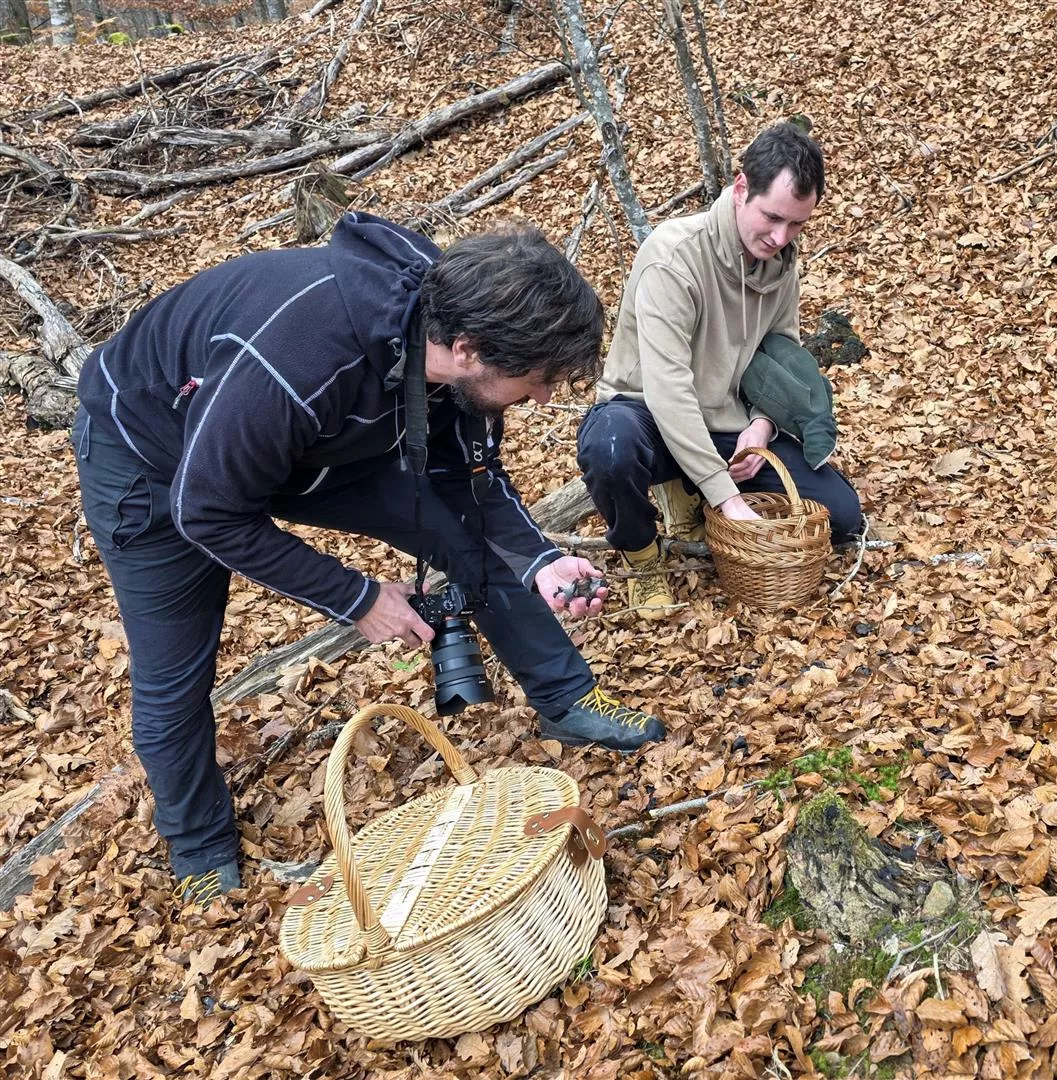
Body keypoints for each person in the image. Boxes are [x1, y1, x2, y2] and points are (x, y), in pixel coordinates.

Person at [71, 212, 665, 904]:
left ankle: (565, 699)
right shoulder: (297, 358)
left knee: (464, 535)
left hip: (327, 444)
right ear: (469, 349)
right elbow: (205, 509)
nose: (543, 398)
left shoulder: (454, 335)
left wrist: (539, 560)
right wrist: (357, 598)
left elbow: (471, 478)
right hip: (152, 457)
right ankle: (199, 844)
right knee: (172, 669)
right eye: (536, 380)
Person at [577, 123, 862, 618]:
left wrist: (761, 424)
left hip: (728, 423)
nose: (780, 237)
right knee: (610, 449)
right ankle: (643, 553)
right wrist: (728, 499)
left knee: (842, 516)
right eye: (772, 218)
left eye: (797, 225)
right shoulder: (673, 257)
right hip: (647, 417)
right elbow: (668, 389)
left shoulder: (781, 265)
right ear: (740, 188)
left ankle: (691, 494)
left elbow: (780, 358)